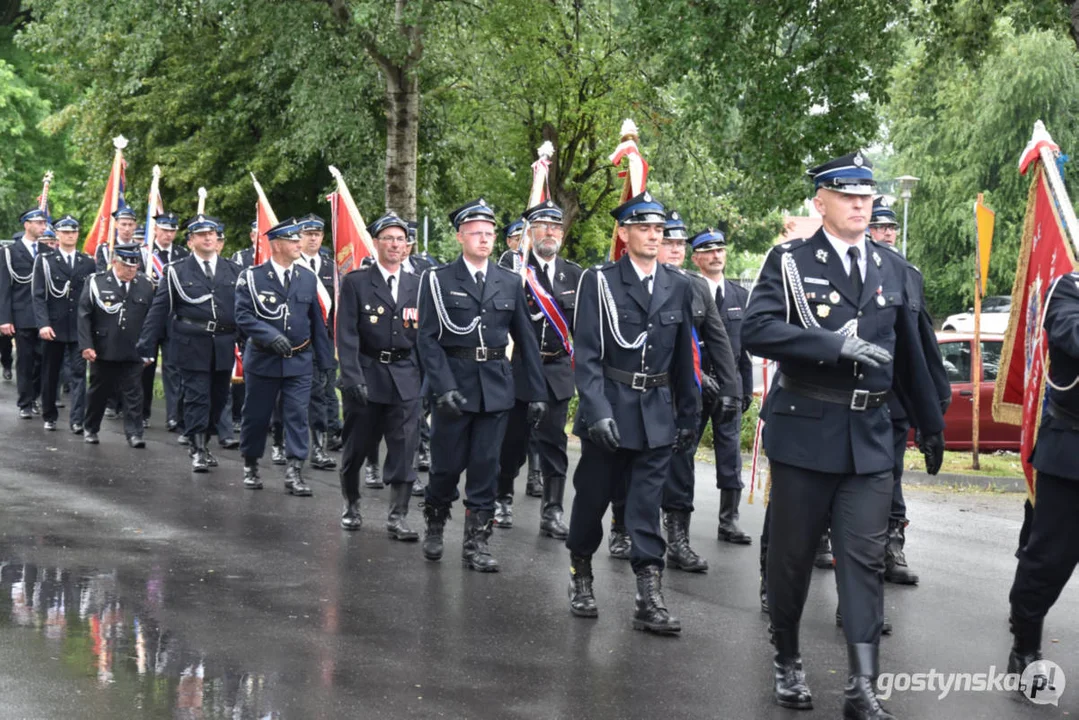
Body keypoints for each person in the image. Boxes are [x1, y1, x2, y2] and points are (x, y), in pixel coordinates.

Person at [742, 151, 945, 717]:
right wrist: (831, 345)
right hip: (807, 428)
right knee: (792, 557)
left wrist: (930, 424)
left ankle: (863, 686)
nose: (862, 204)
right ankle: (787, 659)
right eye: (848, 195)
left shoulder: (895, 270)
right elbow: (756, 329)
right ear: (821, 202)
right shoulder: (788, 261)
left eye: (867, 195)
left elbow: (916, 356)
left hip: (871, 437)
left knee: (864, 559)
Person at [565, 191, 700, 635]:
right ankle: (581, 573)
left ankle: (648, 594)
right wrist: (596, 410)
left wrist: (688, 415)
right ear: (623, 234)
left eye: (658, 229)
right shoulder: (599, 280)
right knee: (593, 499)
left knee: (645, 507)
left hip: (657, 413)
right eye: (643, 227)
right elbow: (585, 356)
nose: (653, 235)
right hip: (611, 410)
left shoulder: (677, 285)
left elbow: (684, 359)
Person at [416, 198, 546, 572]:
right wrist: (441, 386)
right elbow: (427, 339)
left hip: (495, 387)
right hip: (453, 387)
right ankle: (436, 523)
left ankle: (476, 543)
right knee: (445, 467)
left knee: (485, 467)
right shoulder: (438, 280)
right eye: (476, 233)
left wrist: (536, 392)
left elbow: (525, 338)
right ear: (460, 236)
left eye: (490, 233)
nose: (485, 239)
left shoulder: (508, 280)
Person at [494, 201, 583, 539]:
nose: (550, 232)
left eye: (556, 227)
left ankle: (553, 510)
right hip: (518, 369)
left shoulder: (573, 274)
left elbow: (581, 330)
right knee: (513, 441)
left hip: (557, 368)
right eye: (543, 226)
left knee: (554, 442)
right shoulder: (514, 271)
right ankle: (502, 497)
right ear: (529, 232)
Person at [1006, 269, 1079, 681]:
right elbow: (1071, 335)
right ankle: (1026, 642)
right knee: (1049, 560)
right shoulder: (1068, 289)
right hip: (1072, 452)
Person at [656, 214, 739, 572]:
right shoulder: (635, 282)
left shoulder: (695, 286)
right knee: (633, 464)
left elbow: (719, 340)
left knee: (680, 466)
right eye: (668, 242)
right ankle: (622, 527)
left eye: (679, 243)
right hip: (648, 391)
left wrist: (730, 390)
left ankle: (677, 541)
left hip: (684, 396)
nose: (674, 249)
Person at [335, 211, 423, 537]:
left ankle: (398, 516)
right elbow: (346, 335)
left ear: (407, 246)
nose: (395, 245)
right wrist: (352, 377)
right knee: (357, 446)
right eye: (388, 238)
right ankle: (351, 503)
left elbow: (424, 337)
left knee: (404, 447)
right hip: (368, 374)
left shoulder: (418, 284)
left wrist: (426, 380)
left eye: (400, 239)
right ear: (376, 243)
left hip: (405, 376)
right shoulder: (357, 282)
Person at [234, 218, 333, 495]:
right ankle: (251, 463)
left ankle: (294, 470)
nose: (299, 244)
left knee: (297, 415)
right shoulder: (252, 277)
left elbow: (317, 323)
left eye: (299, 239)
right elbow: (242, 315)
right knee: (256, 415)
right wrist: (268, 335)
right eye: (293, 240)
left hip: (299, 360)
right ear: (276, 244)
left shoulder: (307, 278)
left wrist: (325, 363)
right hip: (264, 360)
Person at [137, 215, 242, 472]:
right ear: (191, 240)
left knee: (219, 398)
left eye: (212, 234)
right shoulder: (176, 271)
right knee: (198, 396)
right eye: (202, 235)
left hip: (224, 344)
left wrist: (251, 343)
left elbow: (243, 312)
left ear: (218, 240)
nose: (208, 238)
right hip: (191, 342)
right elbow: (159, 310)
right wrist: (146, 344)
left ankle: (204, 440)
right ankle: (197, 448)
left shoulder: (234, 271)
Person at [78, 243, 156, 447]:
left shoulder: (145, 284)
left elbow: (151, 319)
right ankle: (91, 428)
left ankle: (134, 433)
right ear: (114, 262)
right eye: (126, 265)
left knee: (134, 392)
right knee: (99, 392)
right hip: (104, 348)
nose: (131, 270)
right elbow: (84, 315)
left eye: (134, 266)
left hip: (133, 348)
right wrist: (86, 345)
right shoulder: (97, 282)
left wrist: (148, 348)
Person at [32, 214, 95, 433]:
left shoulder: (87, 262)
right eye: (65, 232)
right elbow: (39, 295)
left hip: (79, 327)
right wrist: (43, 324)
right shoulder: (45, 261)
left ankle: (77, 419)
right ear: (57, 234)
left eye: (73, 232)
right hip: (54, 326)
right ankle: (49, 414)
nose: (70, 236)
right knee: (51, 373)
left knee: (79, 374)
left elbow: (91, 298)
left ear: (78, 234)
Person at [296, 213, 338, 471]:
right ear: (299, 236)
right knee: (299, 395)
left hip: (326, 341)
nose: (313, 238)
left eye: (317, 234)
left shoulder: (331, 267)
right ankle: (284, 442)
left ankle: (320, 446)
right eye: (308, 233)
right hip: (298, 341)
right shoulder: (293, 264)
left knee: (323, 392)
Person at [140, 211, 188, 432]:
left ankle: (173, 416)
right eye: (165, 229)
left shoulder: (182, 254)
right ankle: (142, 413)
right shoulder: (144, 253)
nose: (168, 234)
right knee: (145, 366)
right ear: (155, 229)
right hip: (148, 318)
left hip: (173, 319)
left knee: (173, 369)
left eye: (172, 230)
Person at [1, 208, 49, 418]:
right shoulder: (10, 252)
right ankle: (25, 402)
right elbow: (4, 287)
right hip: (22, 315)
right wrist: (4, 319)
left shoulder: (48, 251)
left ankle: (35, 395)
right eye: (38, 223)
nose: (42, 227)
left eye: (44, 223)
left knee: (43, 360)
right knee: (25, 359)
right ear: (26, 224)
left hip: (45, 316)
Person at [94, 204, 140, 271]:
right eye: (123, 224)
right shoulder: (106, 249)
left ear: (135, 226)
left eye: (130, 225)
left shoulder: (141, 250)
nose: (127, 229)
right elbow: (101, 275)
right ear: (116, 224)